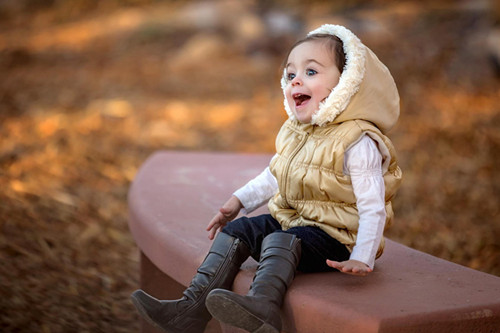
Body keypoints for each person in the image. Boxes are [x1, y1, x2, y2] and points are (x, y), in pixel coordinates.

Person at [131, 24, 402, 333]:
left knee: (282, 238)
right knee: (240, 230)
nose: (296, 79)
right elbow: (276, 173)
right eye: (290, 75)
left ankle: (263, 308)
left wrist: (362, 257)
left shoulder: (358, 142)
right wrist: (239, 200)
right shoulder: (297, 132)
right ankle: (190, 309)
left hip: (338, 239)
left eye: (311, 72)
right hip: (298, 226)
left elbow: (372, 206)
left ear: (347, 85)